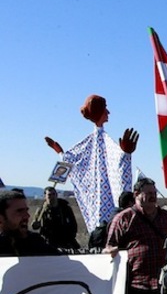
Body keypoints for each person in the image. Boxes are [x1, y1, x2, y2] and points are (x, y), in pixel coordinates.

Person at [44, 94, 138, 233]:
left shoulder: (105, 143)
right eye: (105, 108)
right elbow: (73, 162)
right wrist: (61, 154)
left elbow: (117, 163)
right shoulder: (93, 144)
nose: (108, 112)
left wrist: (125, 154)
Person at [0, 190, 60, 256]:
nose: (27, 216)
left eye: (26, 210)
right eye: (19, 211)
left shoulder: (35, 242)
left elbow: (57, 255)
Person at [31, 187, 80, 251]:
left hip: (65, 240)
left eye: (53, 194)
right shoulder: (41, 210)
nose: (52, 197)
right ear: (45, 196)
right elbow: (34, 226)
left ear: (56, 195)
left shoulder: (65, 208)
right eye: (49, 195)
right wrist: (36, 224)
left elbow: (73, 224)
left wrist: (70, 236)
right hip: (49, 241)